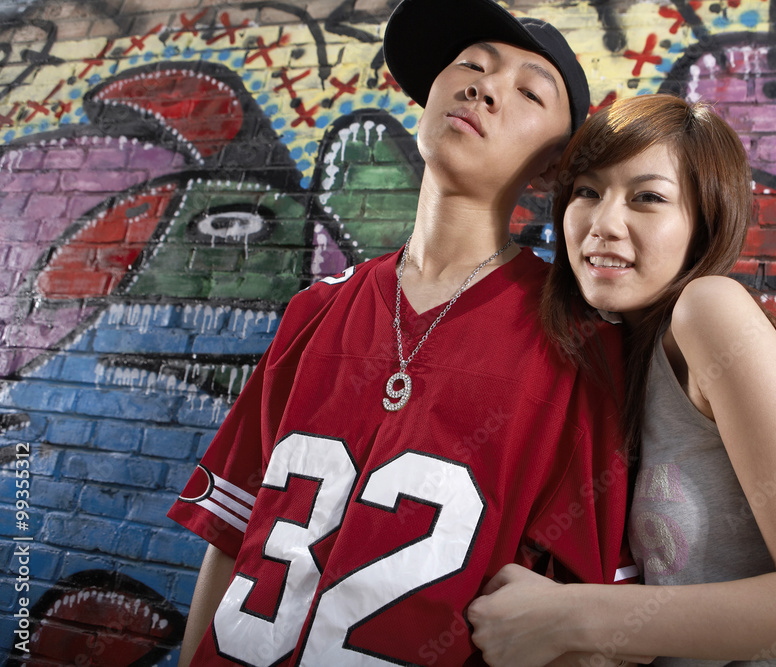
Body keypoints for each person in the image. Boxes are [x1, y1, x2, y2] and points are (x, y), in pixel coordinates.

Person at [166, 1, 638, 665]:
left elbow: (577, 628)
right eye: (471, 66)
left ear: (554, 163)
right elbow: (233, 535)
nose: (483, 87)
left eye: (530, 91)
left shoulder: (579, 348)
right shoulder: (314, 311)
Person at [467, 94, 776, 666]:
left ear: (703, 226)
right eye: (587, 191)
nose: (604, 224)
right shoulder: (613, 355)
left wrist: (564, 617)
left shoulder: (709, 310)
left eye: (648, 198)